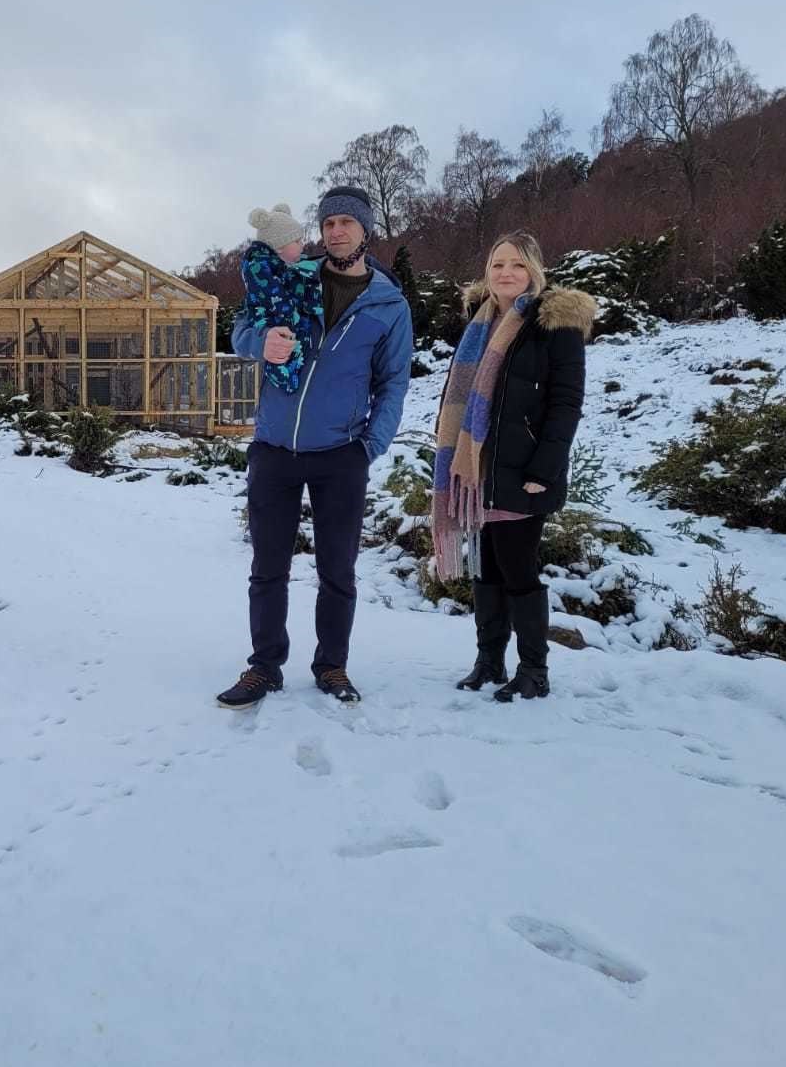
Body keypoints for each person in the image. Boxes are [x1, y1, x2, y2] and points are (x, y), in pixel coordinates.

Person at [220, 187, 414, 708]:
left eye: (347, 222)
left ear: (365, 230)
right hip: (275, 448)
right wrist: (260, 344)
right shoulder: (291, 276)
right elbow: (241, 328)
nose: (336, 231)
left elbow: (394, 381)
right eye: (328, 223)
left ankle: (332, 665)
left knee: (337, 570)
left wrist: (370, 445)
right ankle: (264, 666)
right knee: (268, 567)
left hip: (341, 455)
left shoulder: (388, 304)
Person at [430, 230, 594, 702]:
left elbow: (566, 402)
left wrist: (544, 468)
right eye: (498, 264)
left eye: (517, 265)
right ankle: (489, 661)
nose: (506, 273)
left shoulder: (554, 324)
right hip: (475, 475)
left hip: (524, 470)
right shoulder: (479, 324)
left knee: (519, 569)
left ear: (534, 272)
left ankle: (534, 671)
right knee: (487, 571)